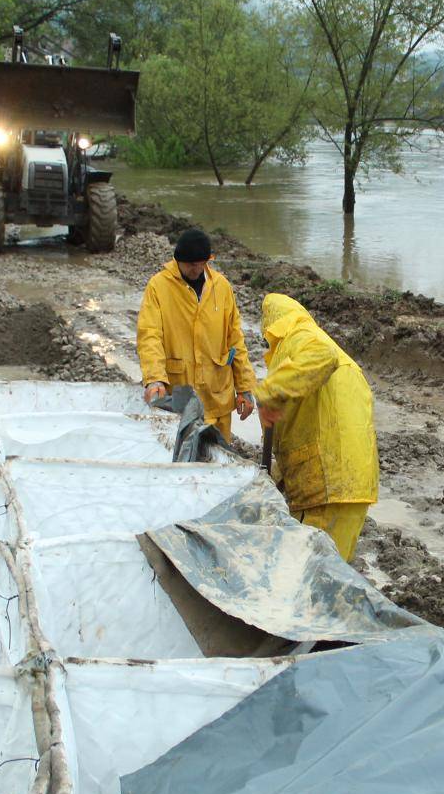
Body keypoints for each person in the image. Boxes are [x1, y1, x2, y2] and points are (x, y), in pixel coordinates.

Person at [255, 293, 379, 561]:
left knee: (306, 571)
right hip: (352, 484)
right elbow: (313, 425)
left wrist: (271, 391)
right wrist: (278, 475)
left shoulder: (300, 337)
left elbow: (323, 355)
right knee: (332, 571)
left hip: (325, 486)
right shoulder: (333, 353)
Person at [136, 228, 256, 438]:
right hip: (180, 397)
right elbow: (149, 336)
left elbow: (235, 339)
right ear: (178, 261)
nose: (197, 269)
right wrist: (155, 378)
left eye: (202, 263)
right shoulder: (159, 287)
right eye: (192, 265)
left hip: (216, 395)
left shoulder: (221, 286)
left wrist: (244, 388)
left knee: (217, 459)